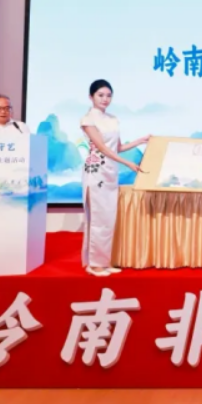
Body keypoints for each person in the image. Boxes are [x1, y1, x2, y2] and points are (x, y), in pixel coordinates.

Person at [80, 79, 150, 277]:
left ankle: (103, 261)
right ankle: (94, 264)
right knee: (98, 218)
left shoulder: (113, 119)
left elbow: (117, 147)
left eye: (108, 95)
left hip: (111, 171)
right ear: (91, 97)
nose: (105, 99)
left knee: (108, 218)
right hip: (96, 171)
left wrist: (140, 140)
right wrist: (128, 163)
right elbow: (102, 148)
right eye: (100, 95)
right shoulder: (87, 119)